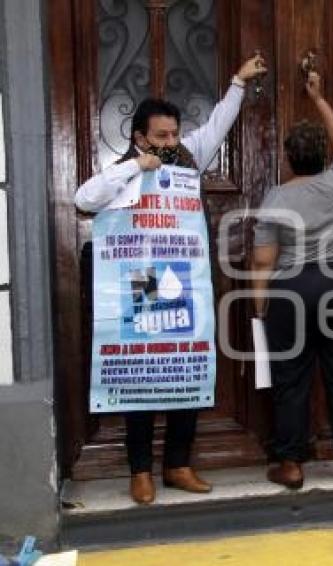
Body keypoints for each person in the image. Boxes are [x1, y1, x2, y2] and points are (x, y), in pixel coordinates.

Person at [75, 54, 268, 505]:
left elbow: (219, 123)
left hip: (183, 279)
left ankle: (178, 465)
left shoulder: (187, 158)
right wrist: (134, 168)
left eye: (175, 134)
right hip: (138, 282)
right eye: (160, 136)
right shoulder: (121, 173)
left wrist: (238, 81)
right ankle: (140, 471)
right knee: (142, 373)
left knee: (187, 368)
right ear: (139, 136)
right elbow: (85, 199)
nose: (170, 142)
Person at [251, 71, 333, 490]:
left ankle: (292, 466)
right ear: (323, 157)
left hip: (292, 291)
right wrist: (318, 98)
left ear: (287, 158)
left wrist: (261, 307)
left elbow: (264, 261)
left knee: (291, 380)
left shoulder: (276, 198)